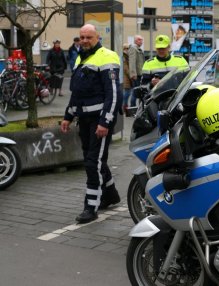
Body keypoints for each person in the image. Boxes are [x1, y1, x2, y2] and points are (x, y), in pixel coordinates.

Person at [60, 24, 122, 224]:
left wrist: (105, 122)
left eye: (89, 37)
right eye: (82, 37)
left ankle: (91, 206)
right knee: (94, 160)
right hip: (84, 121)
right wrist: (67, 117)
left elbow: (113, 94)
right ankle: (111, 194)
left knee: (92, 162)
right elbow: (77, 93)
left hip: (99, 122)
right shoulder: (80, 57)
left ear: (97, 38)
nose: (85, 40)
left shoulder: (108, 56)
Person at [128, 35, 145, 107]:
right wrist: (133, 74)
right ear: (135, 40)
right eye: (139, 39)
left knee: (139, 92)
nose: (141, 41)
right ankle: (132, 108)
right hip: (136, 75)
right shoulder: (133, 48)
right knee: (136, 92)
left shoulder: (138, 49)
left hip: (140, 74)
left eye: (141, 40)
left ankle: (138, 108)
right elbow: (132, 61)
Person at [122, 43, 132, 113]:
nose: (128, 50)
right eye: (127, 49)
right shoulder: (124, 56)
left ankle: (125, 106)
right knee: (127, 93)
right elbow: (125, 68)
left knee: (127, 93)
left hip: (127, 77)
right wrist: (130, 75)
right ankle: (124, 107)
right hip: (126, 78)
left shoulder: (126, 56)